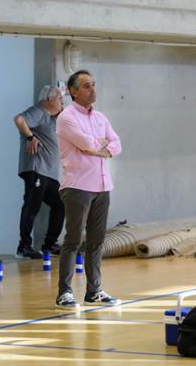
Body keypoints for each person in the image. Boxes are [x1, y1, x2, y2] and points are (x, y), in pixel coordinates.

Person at [55, 70, 122, 309]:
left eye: (93, 84)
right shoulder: (66, 117)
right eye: (86, 86)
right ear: (73, 91)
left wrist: (98, 147)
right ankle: (65, 293)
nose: (92, 89)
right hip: (78, 186)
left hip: (102, 186)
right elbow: (86, 143)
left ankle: (94, 291)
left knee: (96, 241)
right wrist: (97, 145)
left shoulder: (101, 118)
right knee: (73, 240)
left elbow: (116, 144)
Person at [13, 85, 65, 259]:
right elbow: (19, 119)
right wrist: (30, 137)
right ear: (49, 100)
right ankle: (23, 247)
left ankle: (49, 245)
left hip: (49, 173)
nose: (62, 103)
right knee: (31, 205)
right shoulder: (38, 111)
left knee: (60, 205)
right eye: (59, 99)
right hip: (37, 168)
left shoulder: (50, 119)